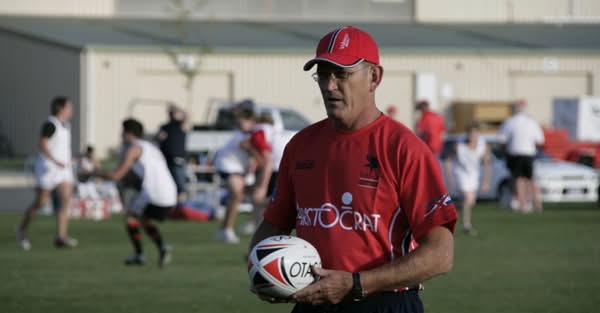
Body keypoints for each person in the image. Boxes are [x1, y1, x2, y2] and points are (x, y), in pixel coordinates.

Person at [249, 26, 457, 313]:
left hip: (384, 302)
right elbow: (274, 224)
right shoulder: (300, 146)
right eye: (323, 73)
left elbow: (440, 254)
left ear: (374, 77)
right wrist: (260, 269)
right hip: (313, 304)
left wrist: (357, 283)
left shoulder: (404, 149)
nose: (329, 85)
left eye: (342, 74)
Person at [95, 118, 176, 267]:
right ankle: (162, 247)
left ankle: (139, 255)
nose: (121, 136)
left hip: (153, 194)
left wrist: (93, 173)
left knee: (130, 218)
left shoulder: (134, 148)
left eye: (122, 132)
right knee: (144, 220)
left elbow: (117, 175)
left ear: (128, 133)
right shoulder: (152, 148)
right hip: (171, 195)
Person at [17, 96, 78, 250]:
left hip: (64, 170)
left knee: (65, 201)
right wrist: (55, 160)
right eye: (69, 107)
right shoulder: (51, 124)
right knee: (41, 203)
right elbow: (43, 143)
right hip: (48, 169)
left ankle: (61, 237)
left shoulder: (67, 125)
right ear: (61, 108)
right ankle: (22, 230)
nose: (72, 110)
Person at [213, 105, 259, 244]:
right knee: (237, 195)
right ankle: (227, 230)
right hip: (228, 165)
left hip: (237, 167)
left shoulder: (251, 134)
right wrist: (260, 158)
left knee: (254, 195)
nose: (240, 123)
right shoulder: (244, 135)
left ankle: (250, 223)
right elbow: (246, 147)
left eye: (244, 120)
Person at [443, 122, 491, 236]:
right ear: (467, 134)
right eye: (471, 134)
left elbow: (487, 164)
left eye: (475, 134)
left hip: (473, 175)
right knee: (468, 198)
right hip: (460, 174)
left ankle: (451, 209)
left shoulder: (482, 146)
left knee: (470, 202)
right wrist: (449, 178)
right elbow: (447, 160)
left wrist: (486, 182)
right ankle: (466, 226)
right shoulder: (459, 146)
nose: (473, 136)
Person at [498, 99, 545, 213]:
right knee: (530, 178)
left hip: (515, 153)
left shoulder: (509, 121)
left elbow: (502, 139)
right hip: (529, 153)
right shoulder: (532, 122)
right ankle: (536, 203)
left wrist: (506, 151)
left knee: (518, 178)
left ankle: (522, 203)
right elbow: (540, 140)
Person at [157, 104, 189, 202]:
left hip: (177, 159)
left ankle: (181, 206)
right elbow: (159, 138)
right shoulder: (165, 126)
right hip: (165, 159)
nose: (172, 114)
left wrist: (178, 109)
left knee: (180, 184)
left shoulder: (180, 125)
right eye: (171, 112)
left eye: (174, 112)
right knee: (167, 183)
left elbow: (187, 116)